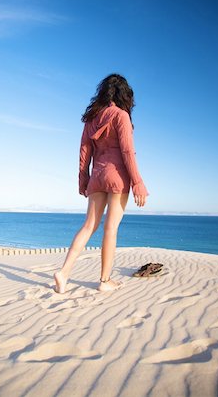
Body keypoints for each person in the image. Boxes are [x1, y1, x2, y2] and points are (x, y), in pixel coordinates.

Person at [54, 73, 149, 293]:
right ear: (125, 94)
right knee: (110, 229)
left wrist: (83, 180)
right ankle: (104, 281)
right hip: (117, 176)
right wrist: (138, 182)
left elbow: (83, 153)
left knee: (88, 226)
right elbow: (127, 152)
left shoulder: (91, 119)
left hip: (97, 176)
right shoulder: (121, 115)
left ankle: (64, 272)